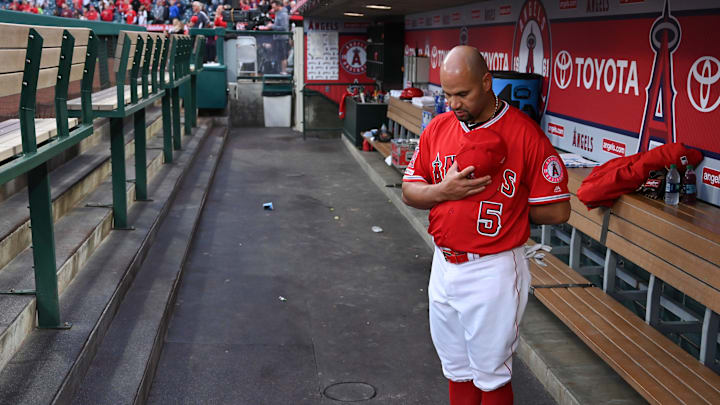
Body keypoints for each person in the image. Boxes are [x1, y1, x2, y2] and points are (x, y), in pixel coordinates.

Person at [401, 45, 571, 405]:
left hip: (492, 268)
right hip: (444, 263)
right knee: (456, 366)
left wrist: (506, 208)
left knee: (491, 374)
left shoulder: (525, 134)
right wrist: (442, 191)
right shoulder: (439, 127)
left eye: (462, 94)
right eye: (447, 94)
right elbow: (409, 191)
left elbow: (557, 211)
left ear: (487, 82)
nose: (453, 103)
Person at [262, 0, 289, 74]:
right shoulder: (278, 13)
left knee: (283, 56)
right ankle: (279, 71)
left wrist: (272, 26)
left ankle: (284, 72)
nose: (273, 8)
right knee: (278, 56)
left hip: (282, 38)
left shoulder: (283, 14)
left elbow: (284, 27)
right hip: (277, 38)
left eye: (274, 6)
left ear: (278, 5)